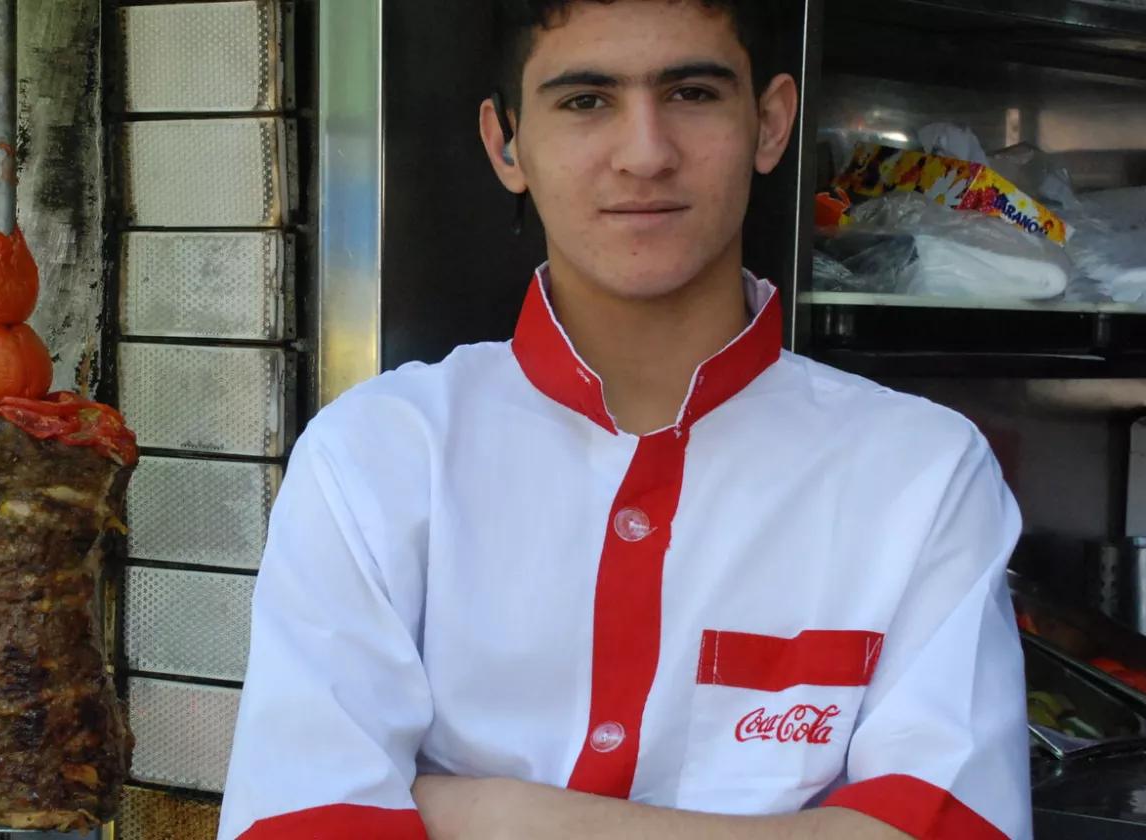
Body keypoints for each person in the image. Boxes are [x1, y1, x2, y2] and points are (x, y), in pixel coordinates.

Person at [216, 1, 1030, 838]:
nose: (645, 154)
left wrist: (489, 813)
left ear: (771, 124)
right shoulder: (378, 456)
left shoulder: (922, 472)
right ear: (506, 145)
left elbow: (956, 828)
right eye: (585, 101)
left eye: (691, 95)